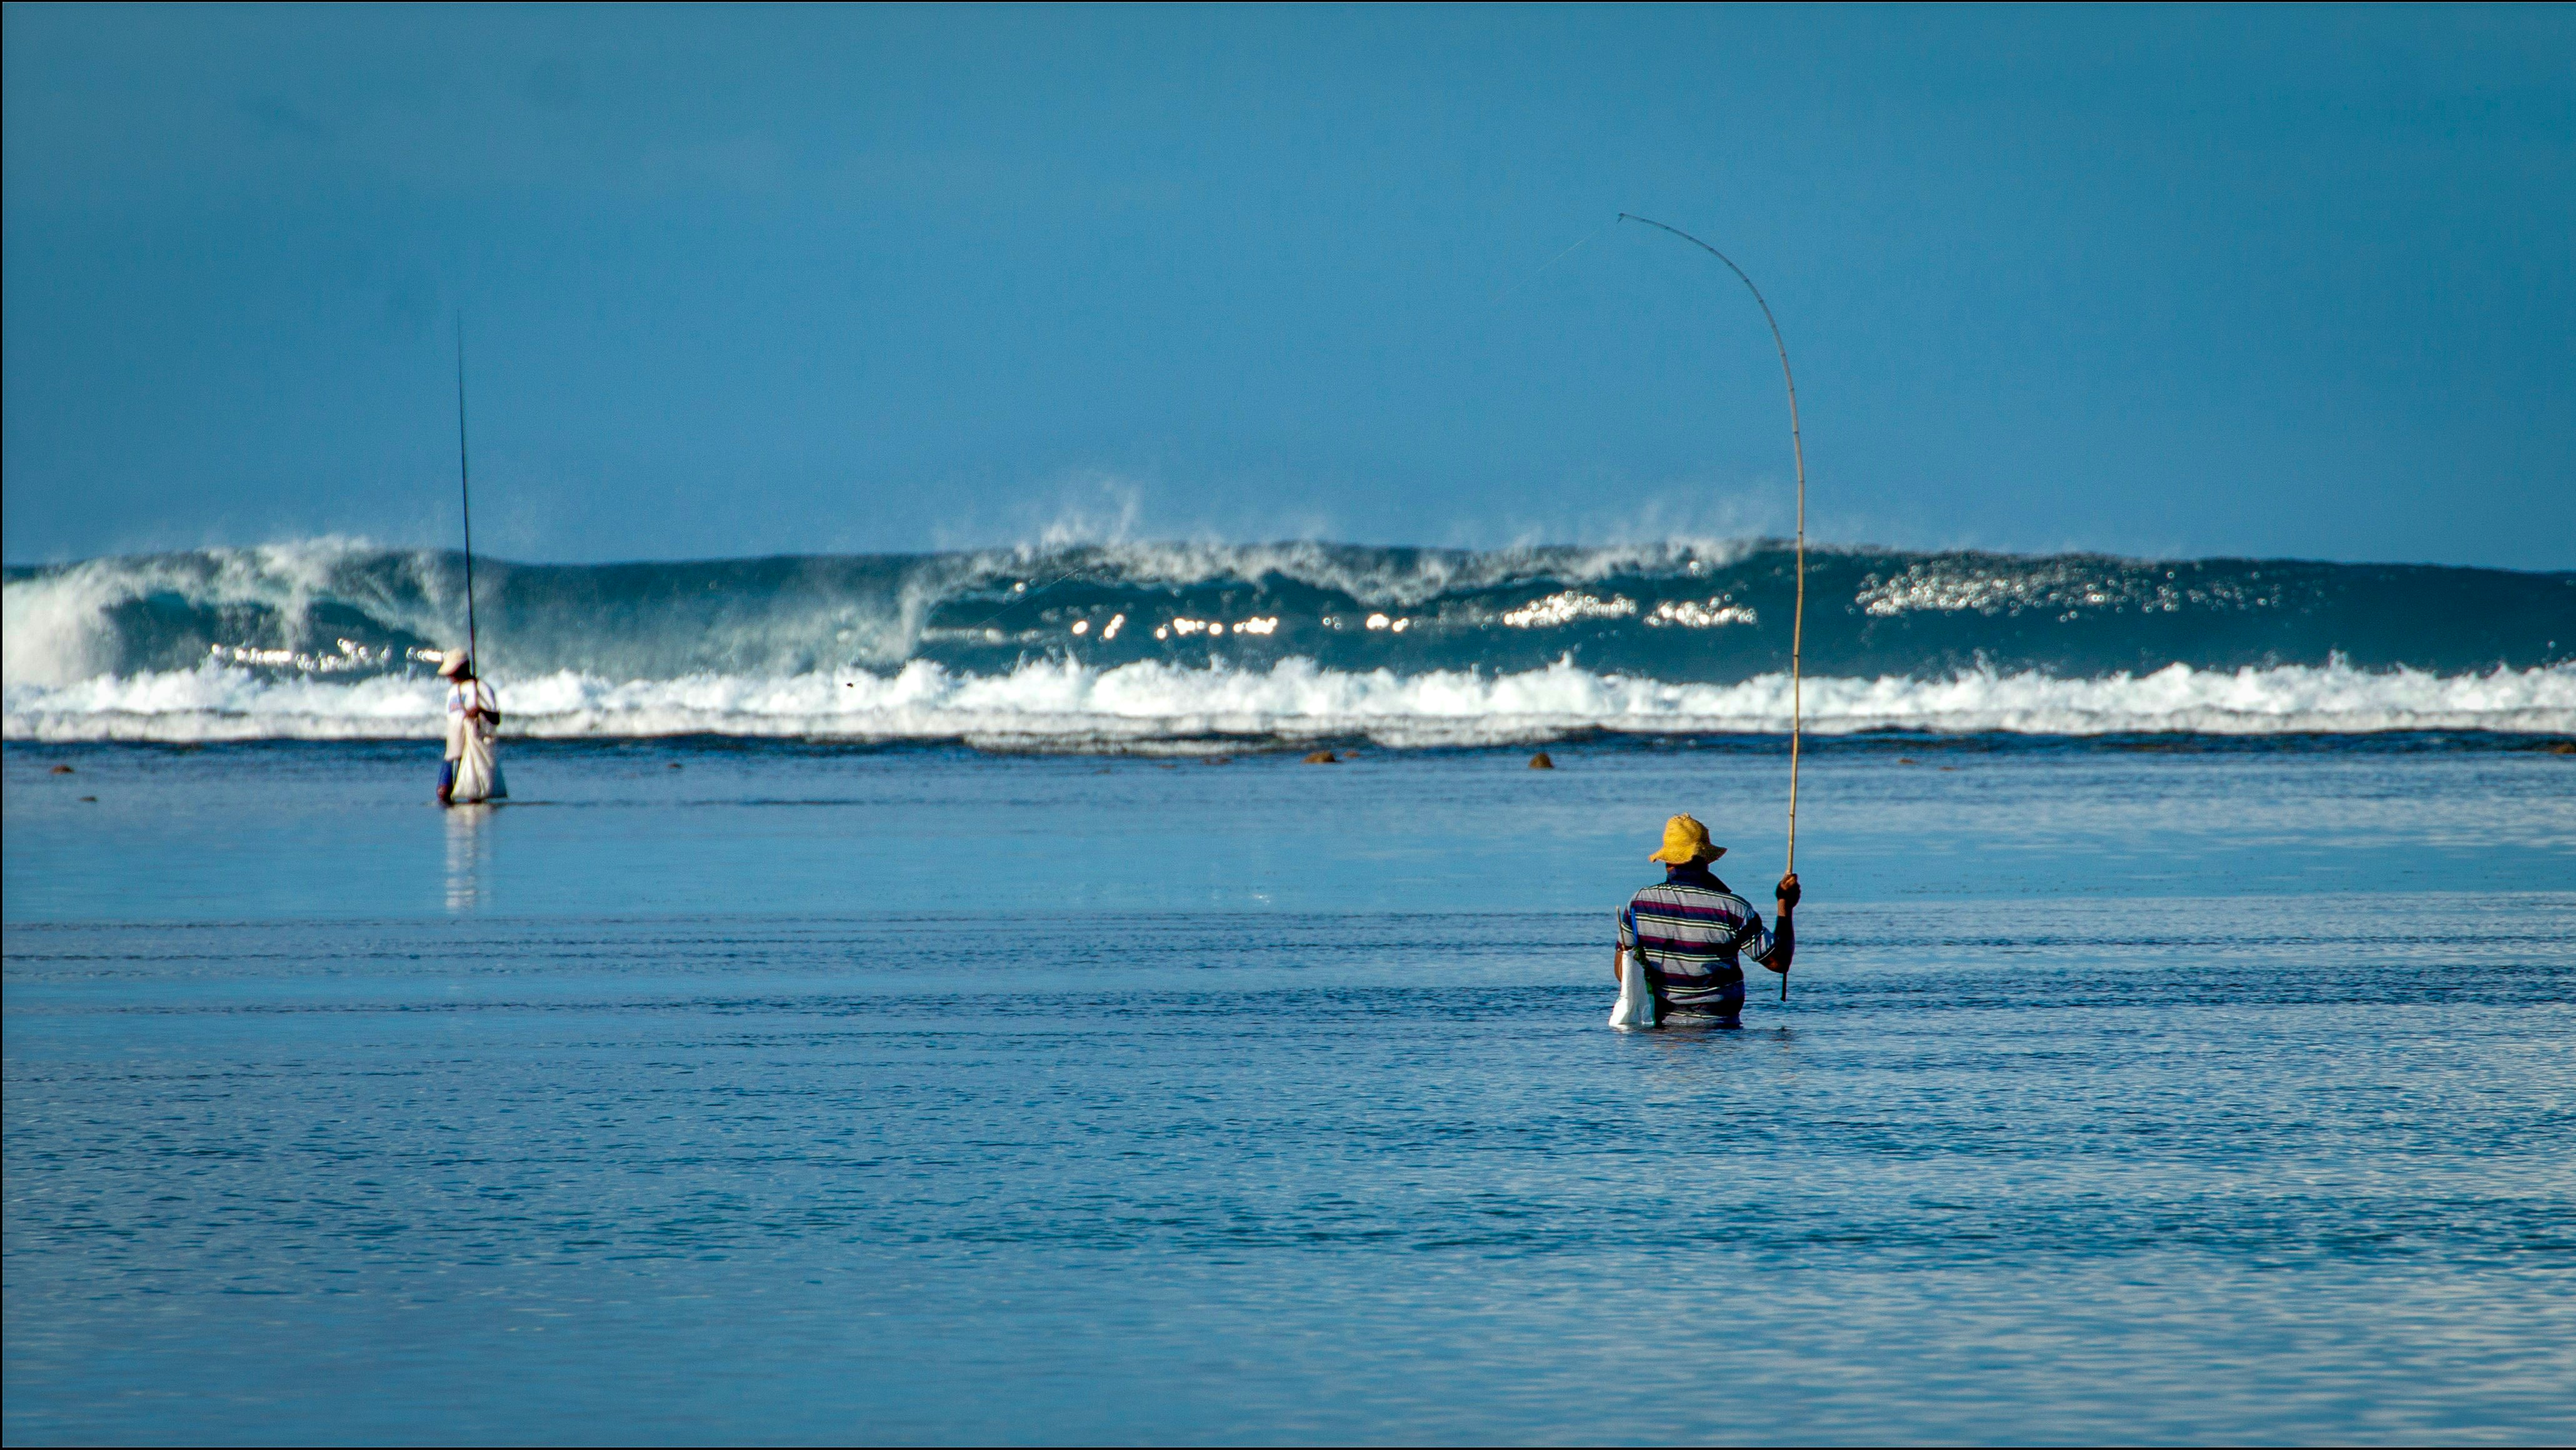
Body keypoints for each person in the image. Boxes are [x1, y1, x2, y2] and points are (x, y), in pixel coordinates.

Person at [1613, 813, 1798, 1027]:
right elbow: (1779, 962)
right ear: (1705, 860)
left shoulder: (1639, 903)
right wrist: (1785, 905)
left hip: (1657, 1031)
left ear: (1667, 862)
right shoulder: (1732, 908)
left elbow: (1623, 972)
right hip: (1719, 1029)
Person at [436, 648, 506, 805]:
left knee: (473, 793)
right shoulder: (452, 691)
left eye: (452, 672)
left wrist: (480, 710)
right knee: (443, 793)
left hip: (472, 750)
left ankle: (473, 818)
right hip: (453, 750)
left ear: (462, 668)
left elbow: (496, 718)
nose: (449, 676)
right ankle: (454, 819)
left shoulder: (480, 688)